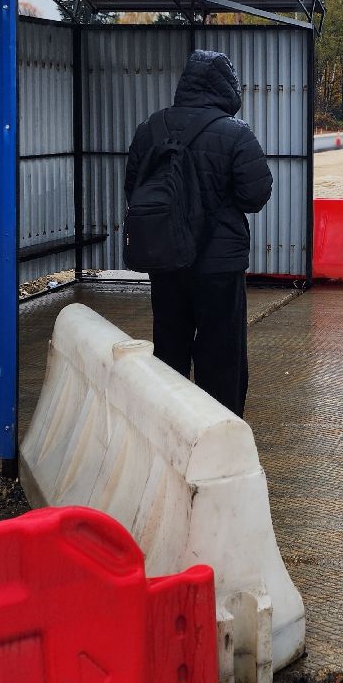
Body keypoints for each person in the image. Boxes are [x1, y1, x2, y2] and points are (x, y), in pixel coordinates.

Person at [124, 49, 272, 416]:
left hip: (166, 258)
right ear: (226, 88)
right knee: (221, 351)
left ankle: (169, 429)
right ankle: (219, 435)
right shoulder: (235, 133)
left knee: (169, 349)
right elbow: (255, 195)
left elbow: (133, 188)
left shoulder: (151, 128)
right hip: (218, 265)